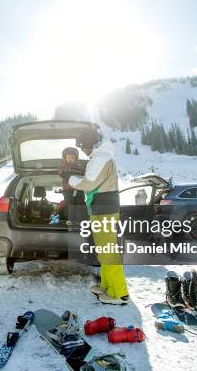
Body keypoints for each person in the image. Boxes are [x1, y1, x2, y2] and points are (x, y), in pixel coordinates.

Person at [69, 127, 130, 305]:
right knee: (104, 251)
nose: (82, 150)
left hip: (104, 211)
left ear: (89, 143)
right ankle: (106, 286)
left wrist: (71, 180)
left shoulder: (101, 157)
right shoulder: (99, 157)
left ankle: (119, 293)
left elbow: (88, 183)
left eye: (83, 146)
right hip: (101, 209)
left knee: (109, 252)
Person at [57, 147, 86, 223]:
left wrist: (80, 170)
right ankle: (69, 220)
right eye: (68, 157)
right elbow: (60, 173)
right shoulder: (63, 167)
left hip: (79, 189)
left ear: (76, 159)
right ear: (65, 158)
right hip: (68, 190)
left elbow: (84, 174)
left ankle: (81, 220)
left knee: (80, 204)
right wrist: (65, 169)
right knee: (69, 204)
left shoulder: (79, 167)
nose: (70, 159)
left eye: (72, 158)